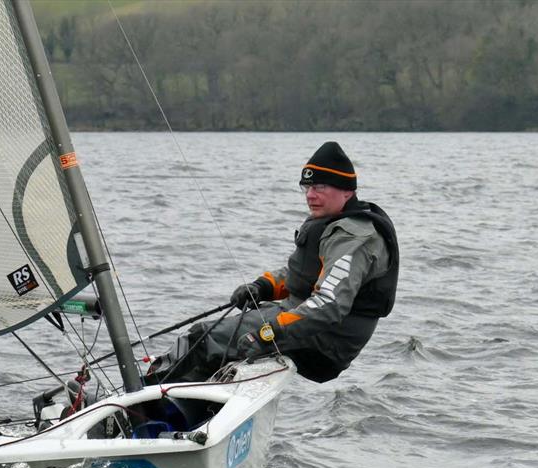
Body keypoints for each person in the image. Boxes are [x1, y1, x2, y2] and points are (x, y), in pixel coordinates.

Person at [145, 141, 399, 385]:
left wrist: (270, 333)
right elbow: (303, 274)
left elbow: (328, 305)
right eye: (306, 188)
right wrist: (263, 286)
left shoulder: (354, 238)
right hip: (304, 323)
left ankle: (148, 408)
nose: (310, 195)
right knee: (204, 334)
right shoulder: (334, 222)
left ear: (347, 191)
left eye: (320, 187)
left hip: (326, 343)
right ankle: (180, 399)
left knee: (202, 341)